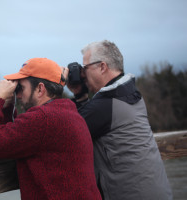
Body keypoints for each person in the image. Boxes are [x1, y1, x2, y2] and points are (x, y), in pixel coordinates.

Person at [0, 58, 101, 200]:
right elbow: (7, 142)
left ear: (40, 89)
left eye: (20, 88)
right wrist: (7, 106)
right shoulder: (69, 113)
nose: (18, 95)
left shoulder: (42, 119)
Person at [65, 40, 173, 200]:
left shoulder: (106, 105)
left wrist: (57, 84)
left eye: (85, 68)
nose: (82, 74)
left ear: (102, 67)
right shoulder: (132, 94)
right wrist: (81, 95)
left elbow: (64, 132)